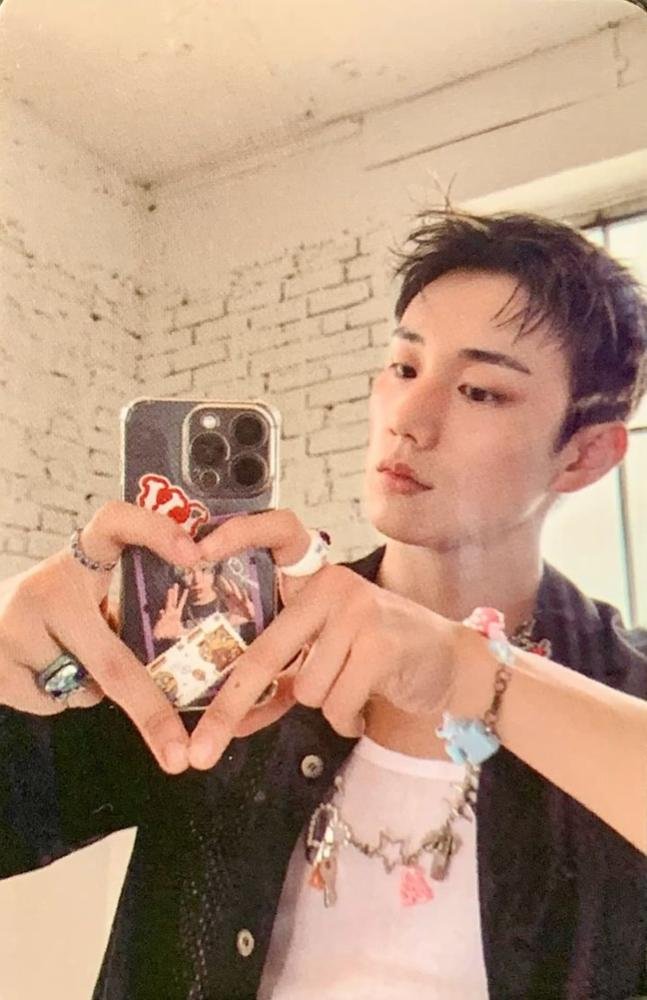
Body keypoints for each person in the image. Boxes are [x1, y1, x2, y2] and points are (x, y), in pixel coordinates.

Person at [1, 210, 646, 1000]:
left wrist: (465, 670)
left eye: (479, 390)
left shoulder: (622, 688)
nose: (408, 419)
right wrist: (14, 660)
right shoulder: (232, 644)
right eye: (403, 367)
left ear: (585, 453)